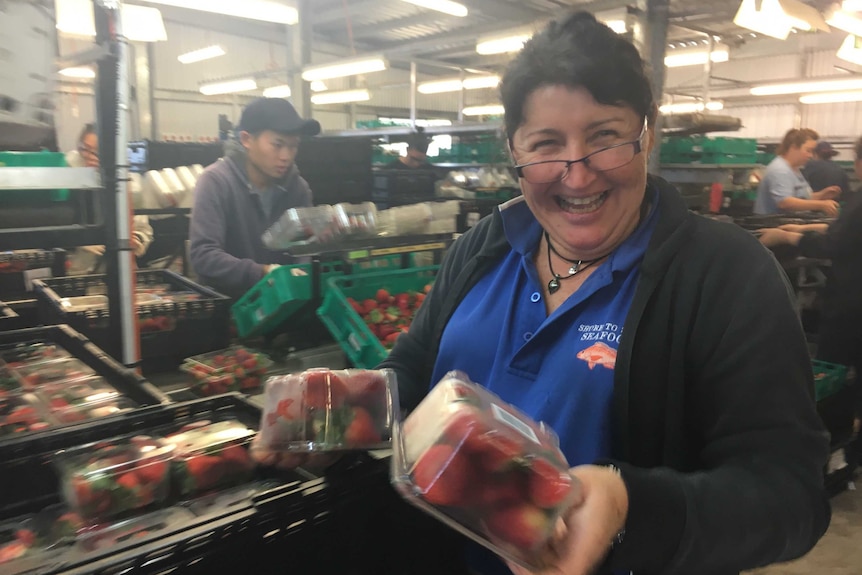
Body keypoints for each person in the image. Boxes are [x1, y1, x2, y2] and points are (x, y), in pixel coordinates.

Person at [377, 12, 830, 575]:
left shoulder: (726, 276)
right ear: (514, 154)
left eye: (605, 138)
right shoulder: (483, 248)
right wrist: (335, 413)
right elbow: (413, 368)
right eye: (546, 145)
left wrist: (630, 507)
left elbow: (791, 497)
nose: (578, 175)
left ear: (649, 132)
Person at [759, 134, 862, 459]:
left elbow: (835, 243)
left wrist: (787, 237)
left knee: (834, 370)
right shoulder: (781, 170)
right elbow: (840, 232)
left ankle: (830, 443)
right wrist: (802, 227)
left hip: (851, 305)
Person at [189, 97, 320, 298]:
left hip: (284, 304)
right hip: (230, 309)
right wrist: (262, 273)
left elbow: (305, 247)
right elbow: (204, 256)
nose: (286, 156)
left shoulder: (297, 188)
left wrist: (302, 274)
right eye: (277, 145)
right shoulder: (216, 182)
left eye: (293, 146)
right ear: (246, 140)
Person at [65, 123, 153, 274]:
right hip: (77, 270)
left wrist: (135, 242)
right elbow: (53, 226)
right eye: (85, 149)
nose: (90, 156)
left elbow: (143, 229)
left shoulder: (128, 183)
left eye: (97, 151)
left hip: (120, 270)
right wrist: (77, 240)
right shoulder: (66, 175)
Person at [753, 128, 841, 216]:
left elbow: (800, 197)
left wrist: (821, 195)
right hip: (774, 225)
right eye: (808, 150)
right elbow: (785, 202)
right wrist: (821, 205)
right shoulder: (780, 170)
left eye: (812, 151)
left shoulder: (794, 169)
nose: (810, 155)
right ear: (794, 147)